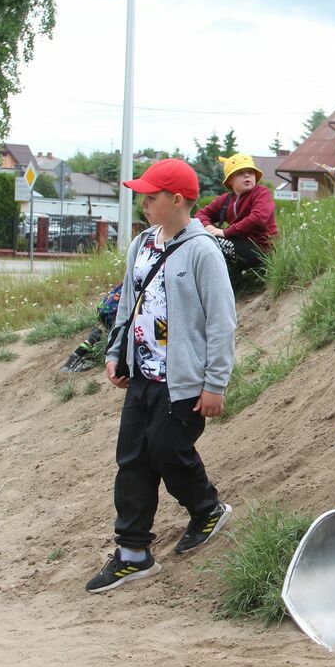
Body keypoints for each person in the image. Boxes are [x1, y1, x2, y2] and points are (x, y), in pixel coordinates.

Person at [86, 157, 236, 594]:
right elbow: (127, 305)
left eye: (150, 197)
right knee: (132, 460)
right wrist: (117, 354)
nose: (143, 202)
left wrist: (215, 385)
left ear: (176, 200)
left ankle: (207, 508)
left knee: (169, 451)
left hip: (183, 383)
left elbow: (222, 322)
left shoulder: (203, 251)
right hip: (142, 377)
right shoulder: (141, 245)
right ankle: (133, 554)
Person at [195, 153, 278, 286]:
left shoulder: (261, 193)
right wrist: (209, 227)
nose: (247, 175)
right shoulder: (226, 200)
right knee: (203, 239)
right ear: (230, 180)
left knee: (215, 241)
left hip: (261, 250)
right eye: (240, 172)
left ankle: (222, 282)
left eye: (250, 172)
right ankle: (215, 281)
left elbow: (258, 219)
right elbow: (200, 214)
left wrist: (225, 232)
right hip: (238, 246)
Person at [61, 282, 122, 373]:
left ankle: (77, 355)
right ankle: (91, 357)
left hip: (104, 308)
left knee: (100, 332)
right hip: (115, 313)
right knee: (111, 337)